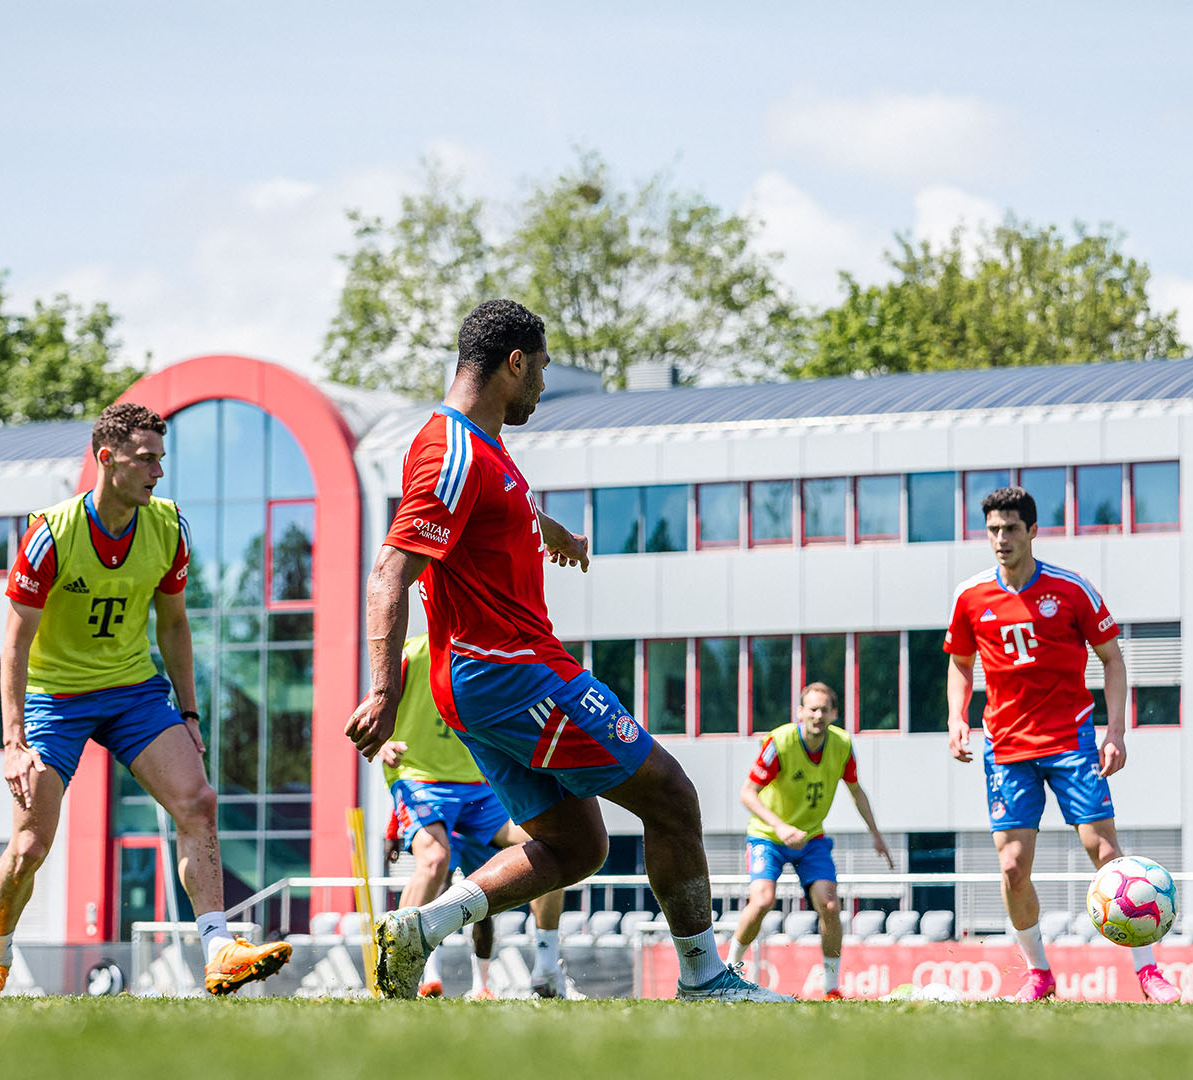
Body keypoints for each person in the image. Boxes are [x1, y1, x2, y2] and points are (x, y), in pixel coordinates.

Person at [345, 299, 788, 1002]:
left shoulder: (480, 446)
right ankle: (706, 978)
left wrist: (556, 534)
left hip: (488, 680)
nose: (544, 388)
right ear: (514, 363)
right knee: (671, 796)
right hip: (511, 671)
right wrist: (383, 691)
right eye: (542, 370)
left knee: (579, 847)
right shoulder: (451, 452)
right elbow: (389, 573)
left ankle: (420, 928)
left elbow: (501, 508)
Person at [0, 403, 291, 997]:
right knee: (31, 845)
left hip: (132, 691)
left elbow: (174, 626)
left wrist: (189, 714)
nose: (158, 472)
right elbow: (16, 640)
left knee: (198, 801)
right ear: (106, 458)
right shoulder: (51, 532)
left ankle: (219, 949)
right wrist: (13, 742)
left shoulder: (169, 527)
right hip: (55, 698)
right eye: (146, 459)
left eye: (161, 459)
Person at [943, 487, 1180, 1004]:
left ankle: (1148, 974)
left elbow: (1113, 659)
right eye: (992, 530)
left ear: (1032, 531)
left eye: (1010, 529)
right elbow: (960, 662)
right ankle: (1038, 973)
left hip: (1072, 741)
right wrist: (956, 718)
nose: (1000, 539)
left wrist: (1114, 731)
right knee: (1011, 867)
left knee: (1106, 854)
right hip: (1005, 747)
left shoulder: (1072, 590)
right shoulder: (971, 596)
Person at [380, 632, 569, 1000]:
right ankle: (400, 970)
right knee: (435, 861)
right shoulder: (411, 654)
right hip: (420, 777)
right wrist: (382, 740)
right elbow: (375, 705)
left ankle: (547, 968)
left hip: (480, 784)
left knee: (556, 843)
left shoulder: (491, 652)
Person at [728, 682, 893, 999]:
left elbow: (856, 792)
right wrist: (780, 826)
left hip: (812, 837)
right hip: (768, 835)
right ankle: (728, 971)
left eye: (824, 710)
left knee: (830, 904)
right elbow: (747, 794)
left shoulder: (842, 745)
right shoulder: (780, 742)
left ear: (834, 714)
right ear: (800, 712)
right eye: (812, 709)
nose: (817, 715)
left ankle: (831, 988)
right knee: (762, 900)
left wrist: (877, 835)